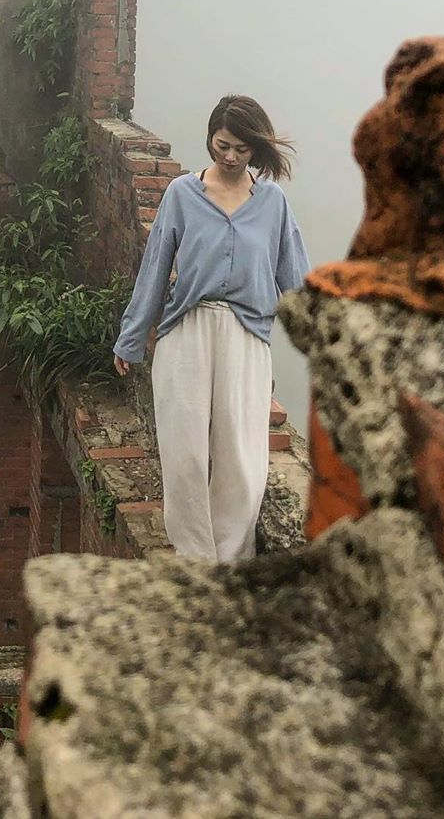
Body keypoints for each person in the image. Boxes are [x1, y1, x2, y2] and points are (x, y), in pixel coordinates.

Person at [113, 95, 310, 562]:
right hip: (188, 331)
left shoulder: (273, 203)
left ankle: (232, 557)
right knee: (184, 454)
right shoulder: (182, 194)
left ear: (255, 150)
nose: (230, 156)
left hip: (246, 337)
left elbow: (297, 281)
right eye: (223, 144)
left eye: (242, 148)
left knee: (240, 458)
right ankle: (196, 557)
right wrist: (131, 336)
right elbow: (155, 269)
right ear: (210, 138)